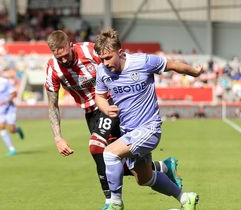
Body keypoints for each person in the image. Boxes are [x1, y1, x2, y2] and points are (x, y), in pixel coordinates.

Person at [45, 30, 181, 210]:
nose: (63, 61)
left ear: (71, 45)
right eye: (58, 57)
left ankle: (112, 202)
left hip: (112, 105)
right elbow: (52, 103)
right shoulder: (52, 68)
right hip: (91, 114)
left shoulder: (89, 51)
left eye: (65, 55)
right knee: (119, 162)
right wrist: (57, 137)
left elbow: (118, 60)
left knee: (96, 146)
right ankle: (163, 167)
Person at [94, 28, 201, 210]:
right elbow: (99, 95)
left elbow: (173, 65)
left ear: (120, 52)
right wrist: (105, 107)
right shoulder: (102, 72)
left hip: (149, 129)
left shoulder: (143, 61)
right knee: (145, 179)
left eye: (108, 58)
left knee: (109, 153)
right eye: (101, 59)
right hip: (129, 132)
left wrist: (195, 72)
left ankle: (115, 203)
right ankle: (185, 198)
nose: (105, 63)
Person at [0, 67, 24, 156]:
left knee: (11, 130)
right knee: (1, 127)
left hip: (9, 108)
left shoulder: (5, 82)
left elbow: (14, 93)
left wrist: (7, 100)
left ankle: (17, 130)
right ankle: (12, 149)